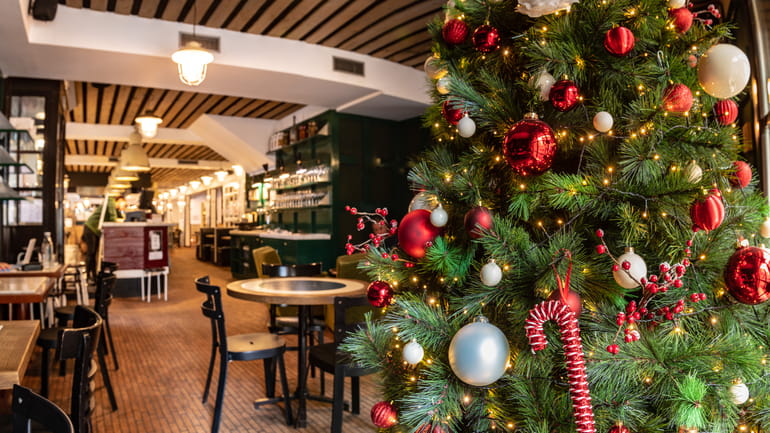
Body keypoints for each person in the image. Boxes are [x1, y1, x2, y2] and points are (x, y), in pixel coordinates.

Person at [81, 196, 126, 282]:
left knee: (94, 254)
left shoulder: (114, 207)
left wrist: (120, 211)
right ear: (120, 200)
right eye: (124, 203)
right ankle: (88, 276)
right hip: (91, 228)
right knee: (91, 253)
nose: (125, 206)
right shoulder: (111, 201)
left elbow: (120, 217)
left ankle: (93, 276)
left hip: (95, 230)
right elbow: (113, 219)